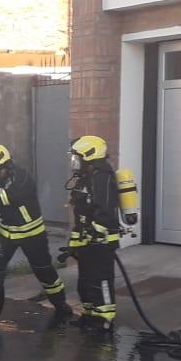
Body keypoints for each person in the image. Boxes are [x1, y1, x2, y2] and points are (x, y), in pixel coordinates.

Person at [0, 144, 73, 325]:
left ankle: (60, 304)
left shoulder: (21, 177)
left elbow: (12, 196)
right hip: (7, 235)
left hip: (32, 235)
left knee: (44, 271)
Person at [67, 135, 122, 332]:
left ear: (89, 156)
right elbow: (80, 213)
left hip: (102, 242)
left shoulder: (103, 177)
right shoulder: (85, 178)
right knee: (85, 282)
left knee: (101, 282)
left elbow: (105, 212)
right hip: (87, 241)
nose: (74, 162)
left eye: (77, 157)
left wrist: (94, 232)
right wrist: (73, 243)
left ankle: (104, 319)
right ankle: (89, 315)